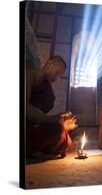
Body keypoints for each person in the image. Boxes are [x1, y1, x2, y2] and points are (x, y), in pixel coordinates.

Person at [25, 16, 76, 159]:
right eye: (57, 73)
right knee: (56, 130)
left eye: (60, 76)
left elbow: (41, 119)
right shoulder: (28, 72)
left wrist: (59, 117)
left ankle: (37, 149)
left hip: (33, 128)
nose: (57, 78)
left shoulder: (48, 93)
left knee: (66, 137)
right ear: (50, 64)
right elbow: (25, 109)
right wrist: (54, 121)